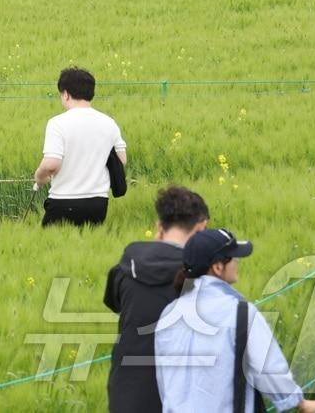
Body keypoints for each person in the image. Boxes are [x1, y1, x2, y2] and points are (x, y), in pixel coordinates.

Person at [155, 229, 315, 413]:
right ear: (218, 267)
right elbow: (269, 369)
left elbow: (165, 382)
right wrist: (299, 402)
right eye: (234, 257)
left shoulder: (169, 314)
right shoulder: (240, 313)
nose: (238, 262)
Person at [103, 186, 211, 413]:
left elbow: (115, 303)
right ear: (201, 228)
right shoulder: (203, 276)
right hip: (182, 394)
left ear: (159, 226)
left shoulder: (125, 267)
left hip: (126, 390)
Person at [33, 66, 126, 227]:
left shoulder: (57, 123)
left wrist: (39, 177)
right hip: (98, 202)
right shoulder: (109, 122)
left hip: (64, 200)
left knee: (51, 249)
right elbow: (122, 160)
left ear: (66, 94)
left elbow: (51, 164)